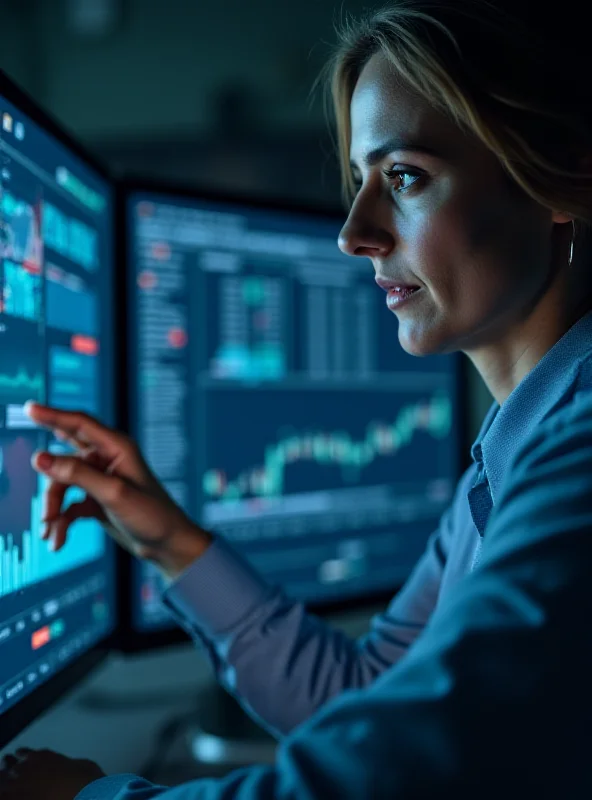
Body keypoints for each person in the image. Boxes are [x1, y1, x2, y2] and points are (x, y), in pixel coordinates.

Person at [2, 0, 592, 795]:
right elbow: (371, 699)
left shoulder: (578, 446)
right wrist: (170, 541)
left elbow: (412, 772)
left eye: (405, 177)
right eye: (359, 182)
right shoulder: (511, 453)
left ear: (559, 178)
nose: (354, 232)